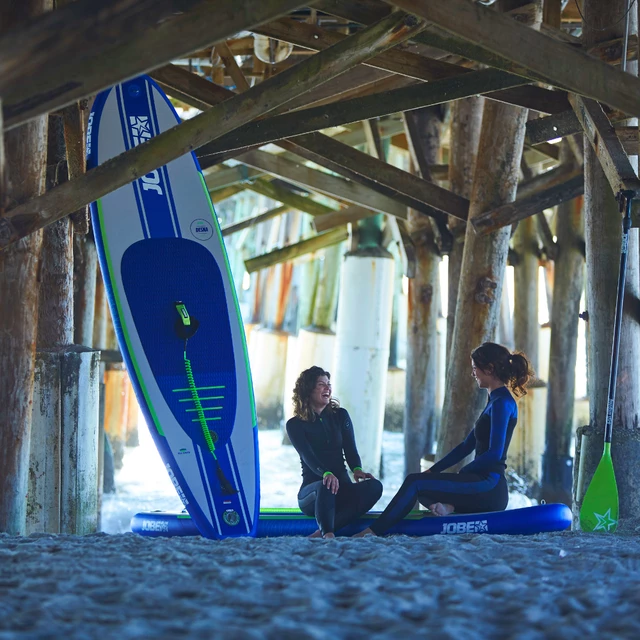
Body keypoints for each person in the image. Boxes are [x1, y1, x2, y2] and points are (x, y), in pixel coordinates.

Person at [354, 342, 532, 537]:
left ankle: (372, 532)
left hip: (489, 485)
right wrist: (434, 470)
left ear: (489, 369)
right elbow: (466, 446)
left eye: (475, 368)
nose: (473, 374)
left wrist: (464, 471)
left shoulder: (502, 403)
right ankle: (448, 507)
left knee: (414, 482)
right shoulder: (494, 401)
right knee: (421, 483)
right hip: (479, 483)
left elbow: (495, 455)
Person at [286, 366, 383, 539]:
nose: (328, 388)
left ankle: (320, 532)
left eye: (329, 384)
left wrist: (357, 469)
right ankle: (328, 535)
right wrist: (326, 473)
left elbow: (351, 450)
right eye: (321, 384)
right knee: (326, 484)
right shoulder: (295, 424)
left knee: (375, 486)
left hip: (342, 489)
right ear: (308, 390)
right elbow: (308, 457)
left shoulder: (340, 415)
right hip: (313, 493)